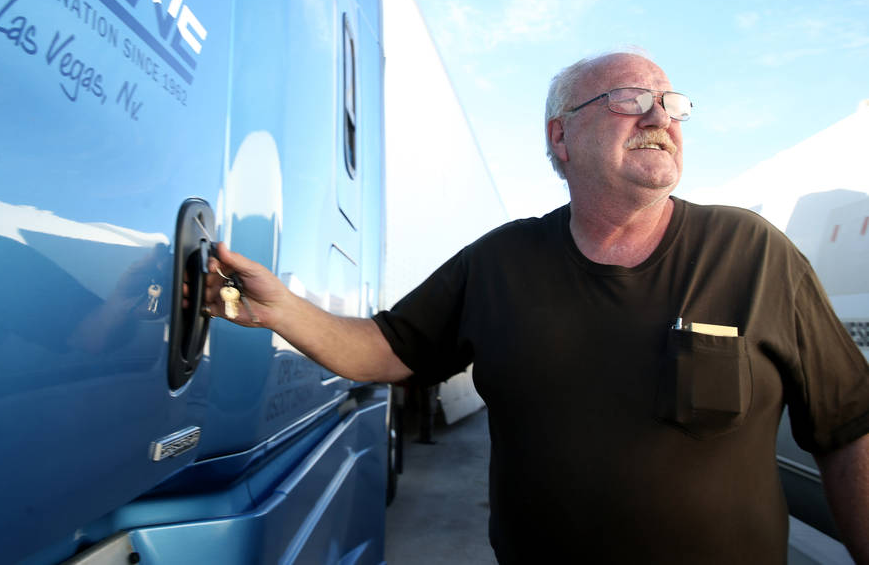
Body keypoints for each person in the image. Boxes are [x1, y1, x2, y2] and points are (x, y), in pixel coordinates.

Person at [200, 51, 869, 563]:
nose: (661, 117)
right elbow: (385, 349)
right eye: (631, 99)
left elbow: (847, 430)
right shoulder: (501, 263)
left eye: (671, 103)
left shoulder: (751, 254)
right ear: (561, 136)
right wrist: (281, 309)